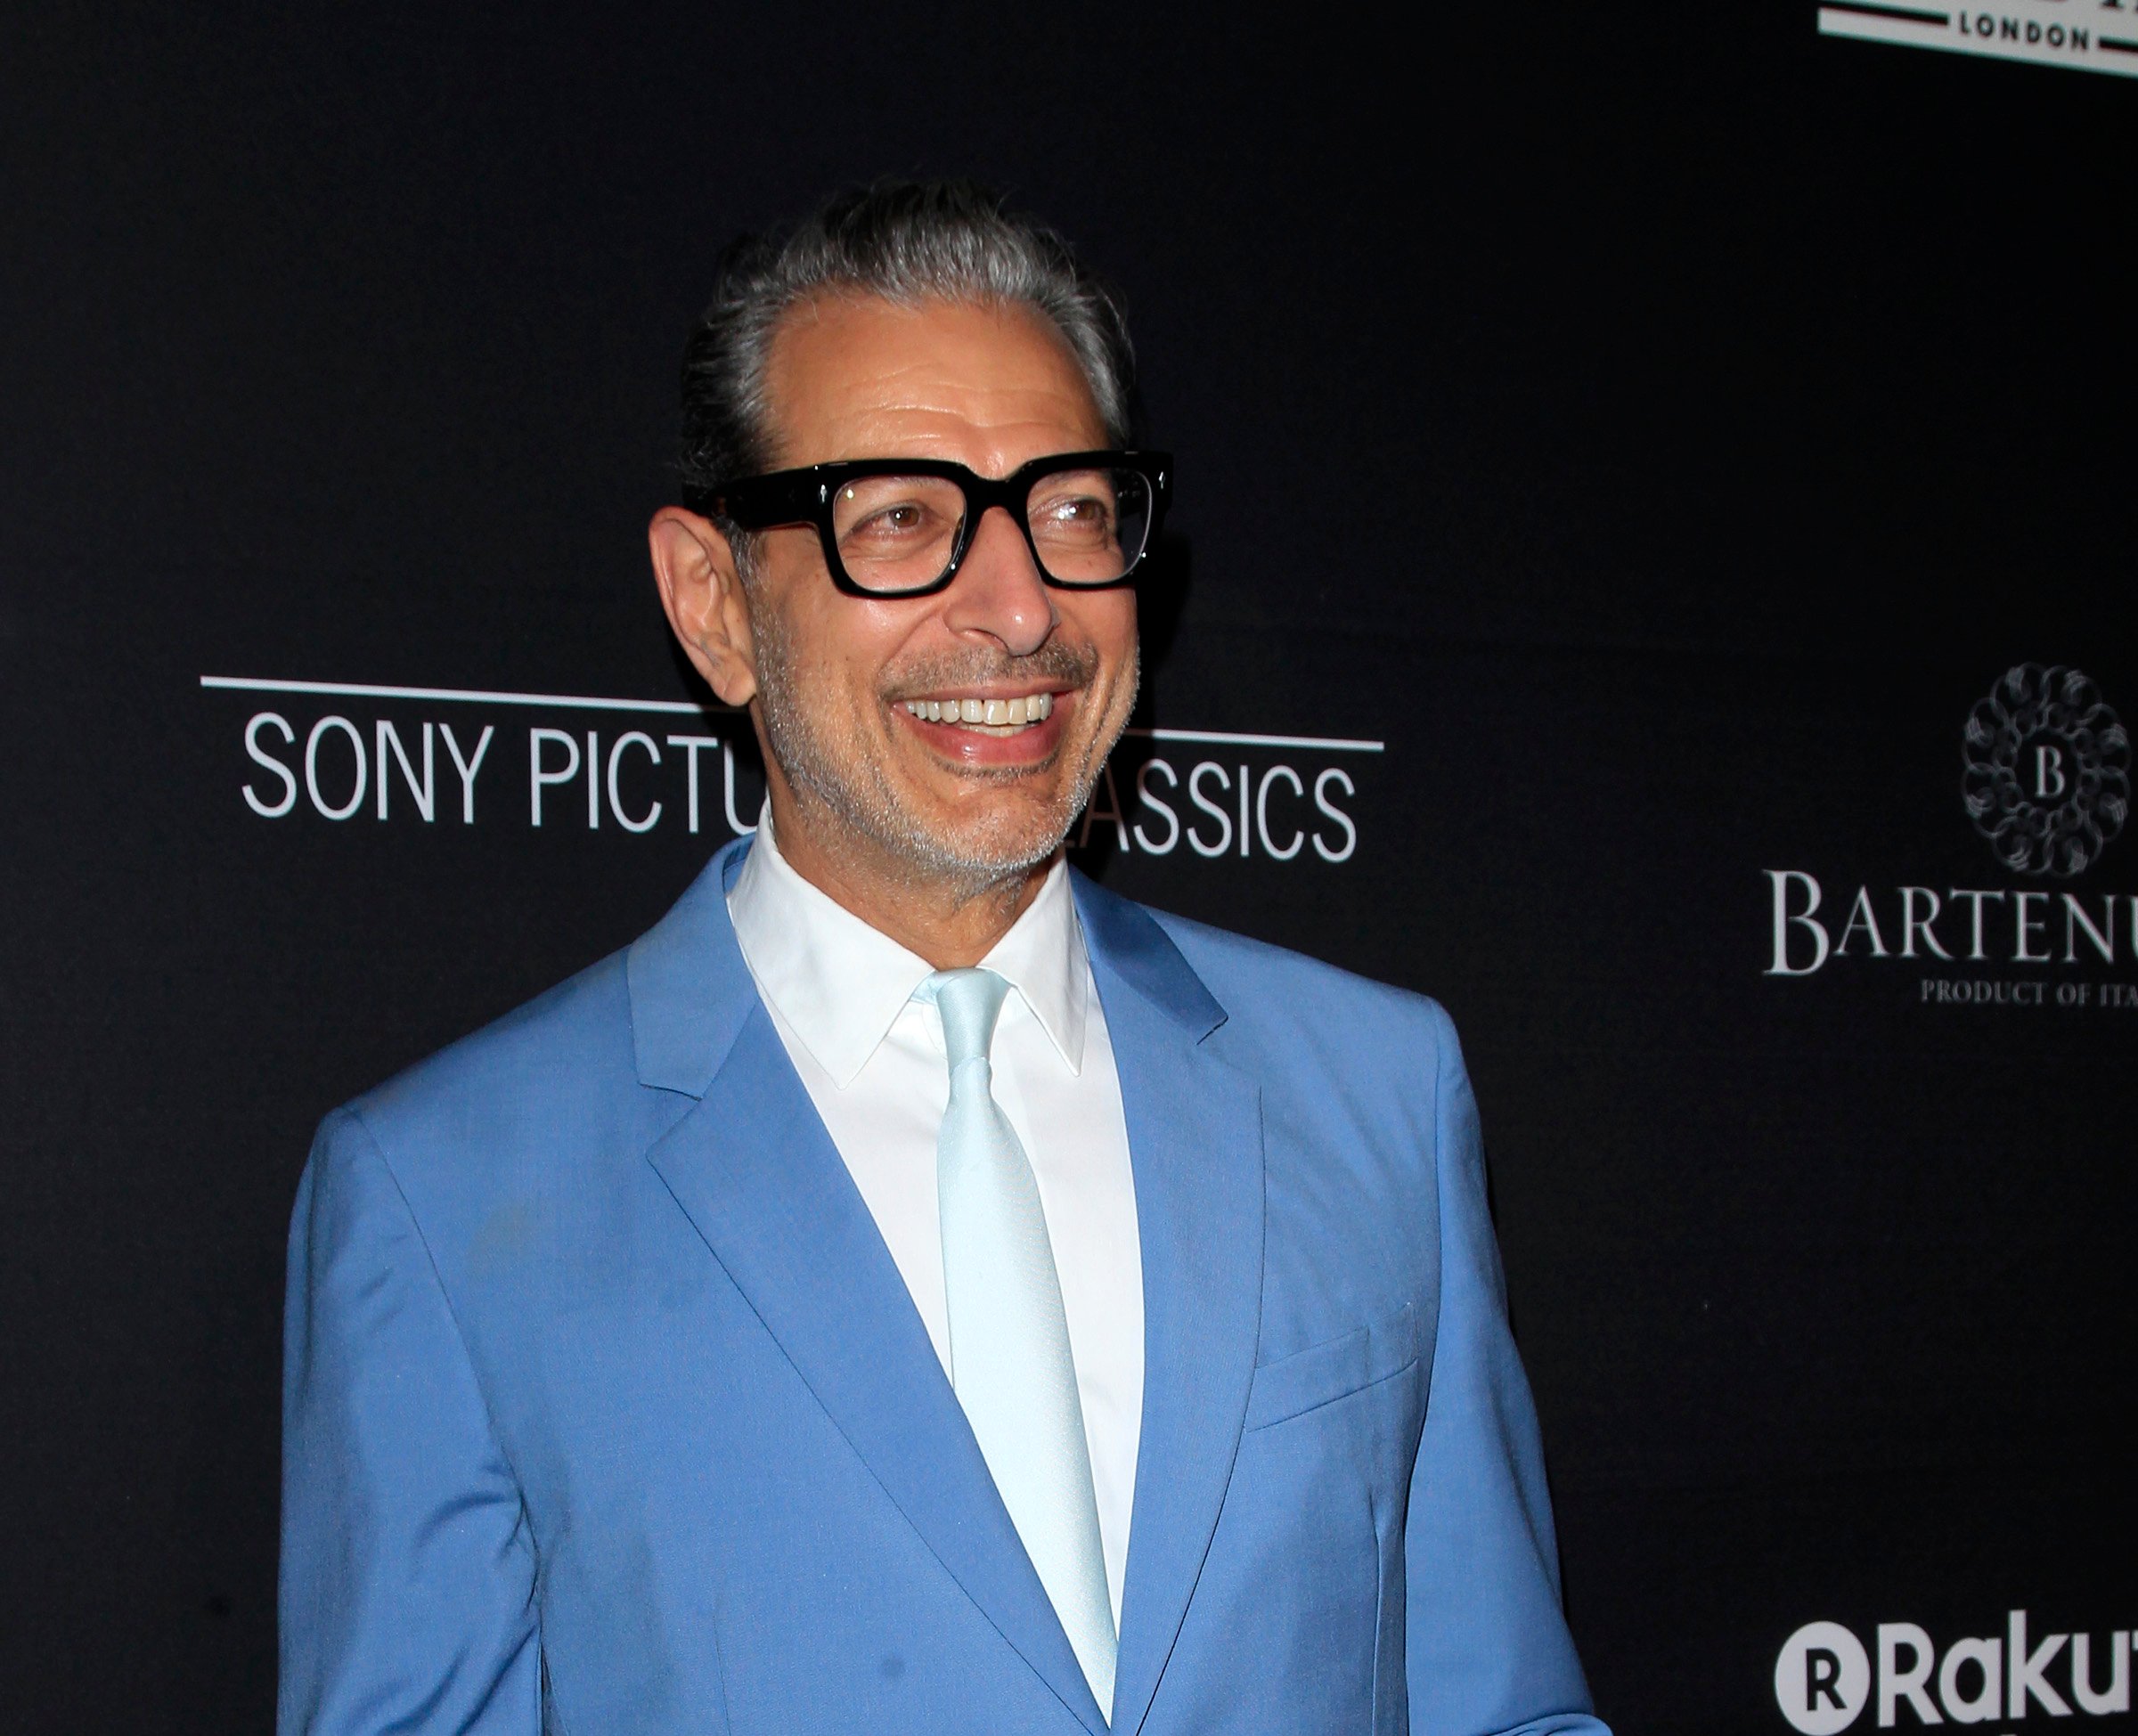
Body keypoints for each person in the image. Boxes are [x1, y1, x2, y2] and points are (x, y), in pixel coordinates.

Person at [278, 180, 1608, 1736]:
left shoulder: (1375, 1090)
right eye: (900, 516)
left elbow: (1501, 1706)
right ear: (715, 603)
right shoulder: (440, 1200)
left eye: (1072, 509)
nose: (1020, 605)